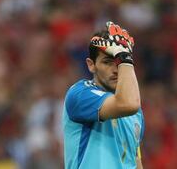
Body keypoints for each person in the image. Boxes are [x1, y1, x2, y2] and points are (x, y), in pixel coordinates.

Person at [62, 21, 144, 169]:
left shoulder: (136, 113)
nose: (116, 69)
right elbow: (127, 104)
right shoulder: (80, 94)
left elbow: (135, 161)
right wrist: (124, 57)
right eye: (107, 62)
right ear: (91, 64)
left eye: (119, 63)